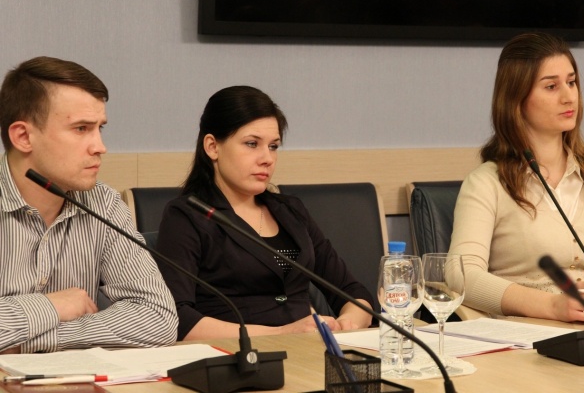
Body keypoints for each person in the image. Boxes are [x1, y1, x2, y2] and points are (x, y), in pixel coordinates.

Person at [155, 85, 374, 340]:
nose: (267, 158)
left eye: (273, 146)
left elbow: (353, 293)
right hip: (236, 355)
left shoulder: (291, 210)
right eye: (252, 144)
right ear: (213, 147)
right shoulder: (187, 216)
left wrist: (346, 324)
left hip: (309, 351)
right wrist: (282, 333)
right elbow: (179, 319)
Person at [449, 32, 584, 322]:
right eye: (551, 86)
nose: (568, 96)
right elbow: (461, 275)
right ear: (516, 99)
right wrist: (551, 306)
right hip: (525, 334)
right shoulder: (486, 183)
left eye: (571, 82)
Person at [0, 56, 178, 354]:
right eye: (81, 129)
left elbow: (158, 317)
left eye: (100, 128)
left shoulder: (103, 203)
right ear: (23, 136)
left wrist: (26, 342)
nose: (100, 147)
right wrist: (50, 306)